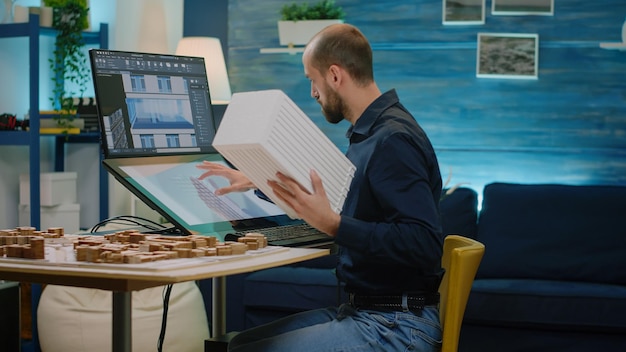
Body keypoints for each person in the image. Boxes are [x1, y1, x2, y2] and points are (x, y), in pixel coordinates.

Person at [198, 23, 444, 352]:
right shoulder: (370, 135)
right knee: (239, 343)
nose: (313, 92)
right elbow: (354, 210)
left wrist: (333, 223)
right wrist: (261, 180)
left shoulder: (392, 140)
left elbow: (424, 242)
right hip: (367, 312)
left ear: (334, 75)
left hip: (397, 324)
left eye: (312, 80)